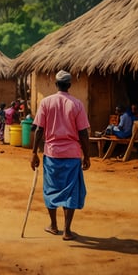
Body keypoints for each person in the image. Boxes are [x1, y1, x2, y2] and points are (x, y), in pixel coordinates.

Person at [30, 70, 90, 241]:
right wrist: (87, 156)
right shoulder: (77, 104)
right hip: (72, 154)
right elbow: (83, 133)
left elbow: (39, 129)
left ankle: (53, 225)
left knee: (51, 189)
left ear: (56, 84)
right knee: (71, 191)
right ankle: (67, 230)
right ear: (69, 85)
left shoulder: (46, 103)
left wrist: (34, 152)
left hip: (52, 154)